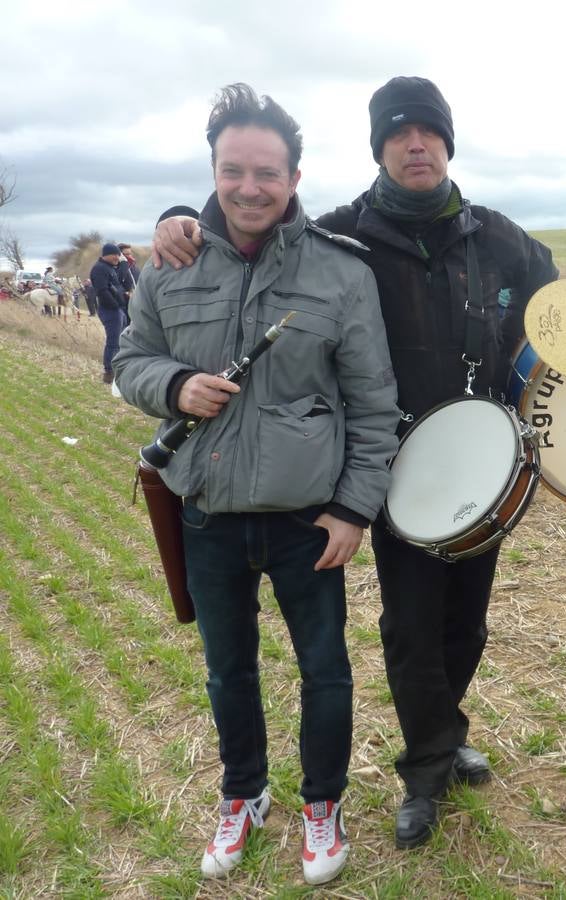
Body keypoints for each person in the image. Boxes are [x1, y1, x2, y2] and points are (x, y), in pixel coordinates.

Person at [153, 75, 558, 850]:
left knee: (465, 625)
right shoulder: (347, 236)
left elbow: (557, 318)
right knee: (410, 627)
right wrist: (180, 219)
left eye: (430, 134)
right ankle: (426, 768)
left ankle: (446, 726)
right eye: (399, 134)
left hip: (485, 470)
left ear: (447, 144)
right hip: (396, 471)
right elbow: (255, 227)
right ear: (379, 148)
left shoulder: (501, 237)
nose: (417, 145)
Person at [116, 83, 401, 885]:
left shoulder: (342, 274)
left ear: (295, 178)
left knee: (325, 671)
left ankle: (323, 805)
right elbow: (128, 360)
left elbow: (375, 406)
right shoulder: (169, 263)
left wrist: (353, 509)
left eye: (267, 173)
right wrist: (174, 386)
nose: (249, 188)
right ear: (213, 170)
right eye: (233, 170)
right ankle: (243, 794)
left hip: (308, 520)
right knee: (226, 670)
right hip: (204, 514)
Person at [89, 243, 128, 383]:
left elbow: (118, 285)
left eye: (119, 255)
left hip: (118, 309)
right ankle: (109, 373)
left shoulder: (110, 268)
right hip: (110, 310)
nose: (118, 257)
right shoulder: (99, 269)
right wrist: (116, 305)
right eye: (115, 255)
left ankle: (119, 370)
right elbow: (102, 290)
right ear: (107, 254)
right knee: (113, 342)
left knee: (121, 341)